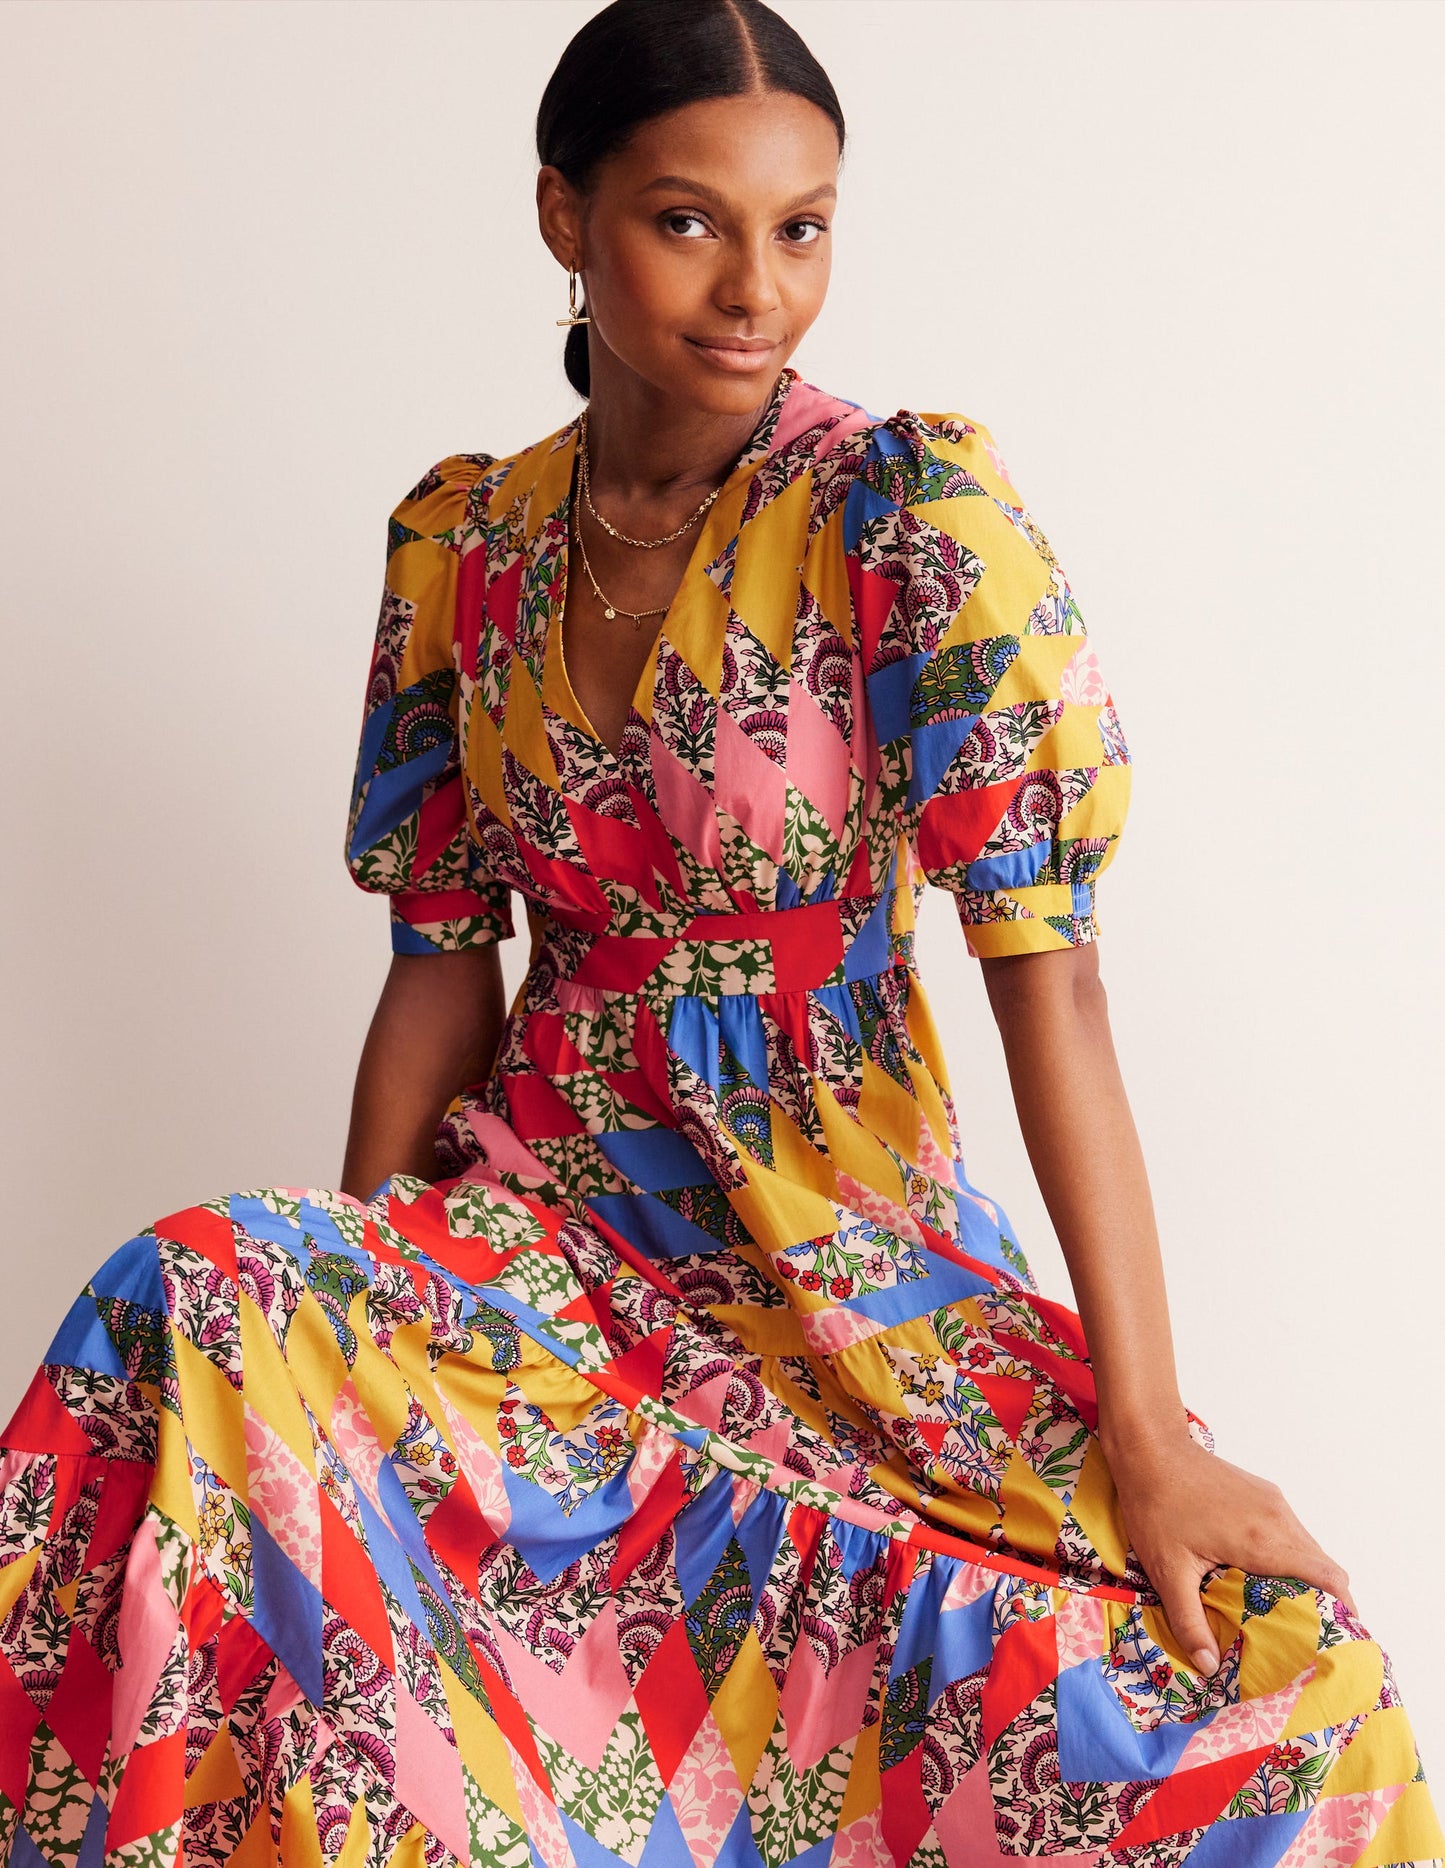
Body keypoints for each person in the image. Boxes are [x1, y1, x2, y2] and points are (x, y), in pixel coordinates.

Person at [1, 1, 1438, 1862]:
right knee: (196, 1296)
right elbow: (439, 968)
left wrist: (1147, 1435)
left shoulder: (906, 514)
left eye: (802, 227)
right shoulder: (463, 542)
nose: (757, 288)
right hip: (545, 1222)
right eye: (688, 221)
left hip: (840, 1251)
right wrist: (358, 1321)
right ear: (564, 216)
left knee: (1264, 1699)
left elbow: (1057, 981)